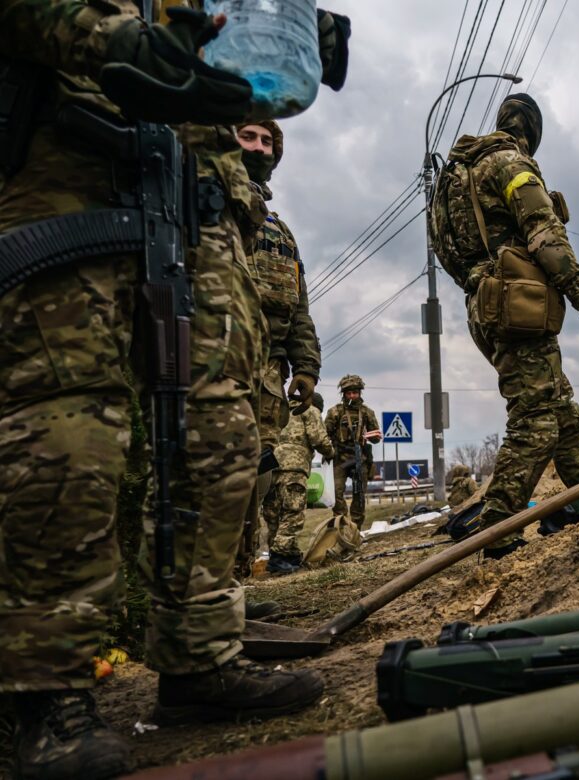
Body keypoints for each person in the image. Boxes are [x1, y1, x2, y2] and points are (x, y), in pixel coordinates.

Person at [0, 4, 348, 778]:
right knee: (68, 431)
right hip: (65, 166)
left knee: (222, 434)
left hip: (195, 192)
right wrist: (116, 41)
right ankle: (49, 694)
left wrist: (288, 39)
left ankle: (198, 660)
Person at [431, 94, 579, 559]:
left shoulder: (450, 182)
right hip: (520, 305)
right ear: (531, 132)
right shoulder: (511, 164)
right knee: (535, 418)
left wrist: (483, 283)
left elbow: (448, 256)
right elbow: (547, 236)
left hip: (485, 308)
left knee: (554, 401)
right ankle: (498, 527)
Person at [234, 119, 321, 576]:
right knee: (221, 472)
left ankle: (240, 579)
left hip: (269, 377)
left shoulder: (281, 234)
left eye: (267, 141)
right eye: (248, 137)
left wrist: (306, 368)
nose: (258, 147)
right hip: (216, 364)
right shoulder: (209, 206)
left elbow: (300, 309)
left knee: (257, 477)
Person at [264, 392, 334, 574]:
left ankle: (289, 555)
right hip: (293, 467)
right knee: (293, 514)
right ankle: (278, 557)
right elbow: (319, 439)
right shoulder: (309, 410)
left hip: (268, 466)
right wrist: (330, 452)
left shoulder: (277, 409)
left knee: (273, 513)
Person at [324, 374, 381, 529]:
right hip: (339, 458)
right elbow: (324, 434)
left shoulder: (367, 412)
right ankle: (341, 524)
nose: (352, 396)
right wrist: (329, 451)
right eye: (349, 393)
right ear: (343, 394)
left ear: (359, 393)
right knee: (336, 493)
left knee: (359, 496)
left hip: (359, 458)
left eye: (355, 393)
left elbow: (376, 436)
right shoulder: (335, 412)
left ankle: (356, 528)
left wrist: (372, 436)